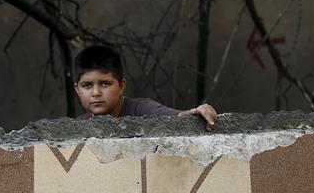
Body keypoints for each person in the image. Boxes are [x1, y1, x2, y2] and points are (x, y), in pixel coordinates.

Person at [73, 45, 218, 130]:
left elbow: (177, 117)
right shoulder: (76, 128)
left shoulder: (142, 110)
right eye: (87, 86)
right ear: (77, 90)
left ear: (122, 86)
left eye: (105, 84)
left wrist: (197, 113)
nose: (96, 93)